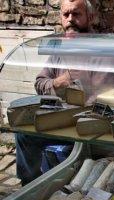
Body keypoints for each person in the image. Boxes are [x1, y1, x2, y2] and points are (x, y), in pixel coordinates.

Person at [16, 0, 98, 185]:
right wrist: (58, 82)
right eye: (66, 15)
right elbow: (40, 83)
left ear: (90, 17)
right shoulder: (60, 50)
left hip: (92, 120)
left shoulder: (103, 49)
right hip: (61, 119)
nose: (70, 20)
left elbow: (112, 93)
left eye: (76, 14)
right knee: (24, 134)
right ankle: (30, 187)